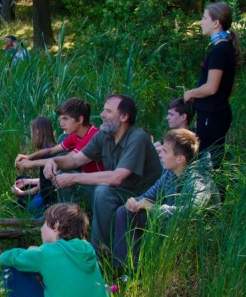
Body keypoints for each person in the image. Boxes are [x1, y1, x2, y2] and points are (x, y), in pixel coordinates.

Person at [38, 94, 162, 251]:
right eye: (103, 110)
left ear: (124, 116)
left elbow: (117, 177)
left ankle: (99, 251)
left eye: (108, 111)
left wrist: (74, 177)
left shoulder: (137, 137)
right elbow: (76, 160)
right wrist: (53, 161)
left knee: (103, 191)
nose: (102, 114)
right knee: (64, 176)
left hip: (139, 197)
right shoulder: (104, 135)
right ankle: (69, 240)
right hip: (117, 192)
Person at [0, 203, 115, 297]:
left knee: (10, 270)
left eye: (44, 224)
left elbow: (5, 258)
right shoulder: (87, 248)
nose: (41, 229)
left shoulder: (45, 253)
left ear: (56, 225)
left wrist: (30, 251)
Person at [112, 128, 217, 271]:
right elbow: (150, 195)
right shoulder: (170, 173)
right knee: (125, 212)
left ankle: (151, 272)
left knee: (168, 225)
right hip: (172, 222)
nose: (160, 153)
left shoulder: (198, 180)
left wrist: (153, 208)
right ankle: (126, 271)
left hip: (196, 232)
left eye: (165, 151)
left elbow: (190, 213)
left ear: (180, 159)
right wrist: (135, 202)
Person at [183, 2, 240, 168]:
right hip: (212, 112)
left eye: (204, 18)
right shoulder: (222, 47)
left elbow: (211, 87)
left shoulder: (220, 50)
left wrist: (191, 93)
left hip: (213, 114)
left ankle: (213, 186)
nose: (201, 22)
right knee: (208, 159)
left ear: (216, 23)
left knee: (208, 162)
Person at [10, 116, 58, 213]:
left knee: (28, 207)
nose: (31, 136)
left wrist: (22, 193)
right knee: (21, 179)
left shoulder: (46, 155)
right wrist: (27, 181)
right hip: (46, 188)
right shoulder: (52, 148)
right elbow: (44, 181)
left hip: (48, 197)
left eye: (32, 132)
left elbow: (45, 187)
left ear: (37, 132)